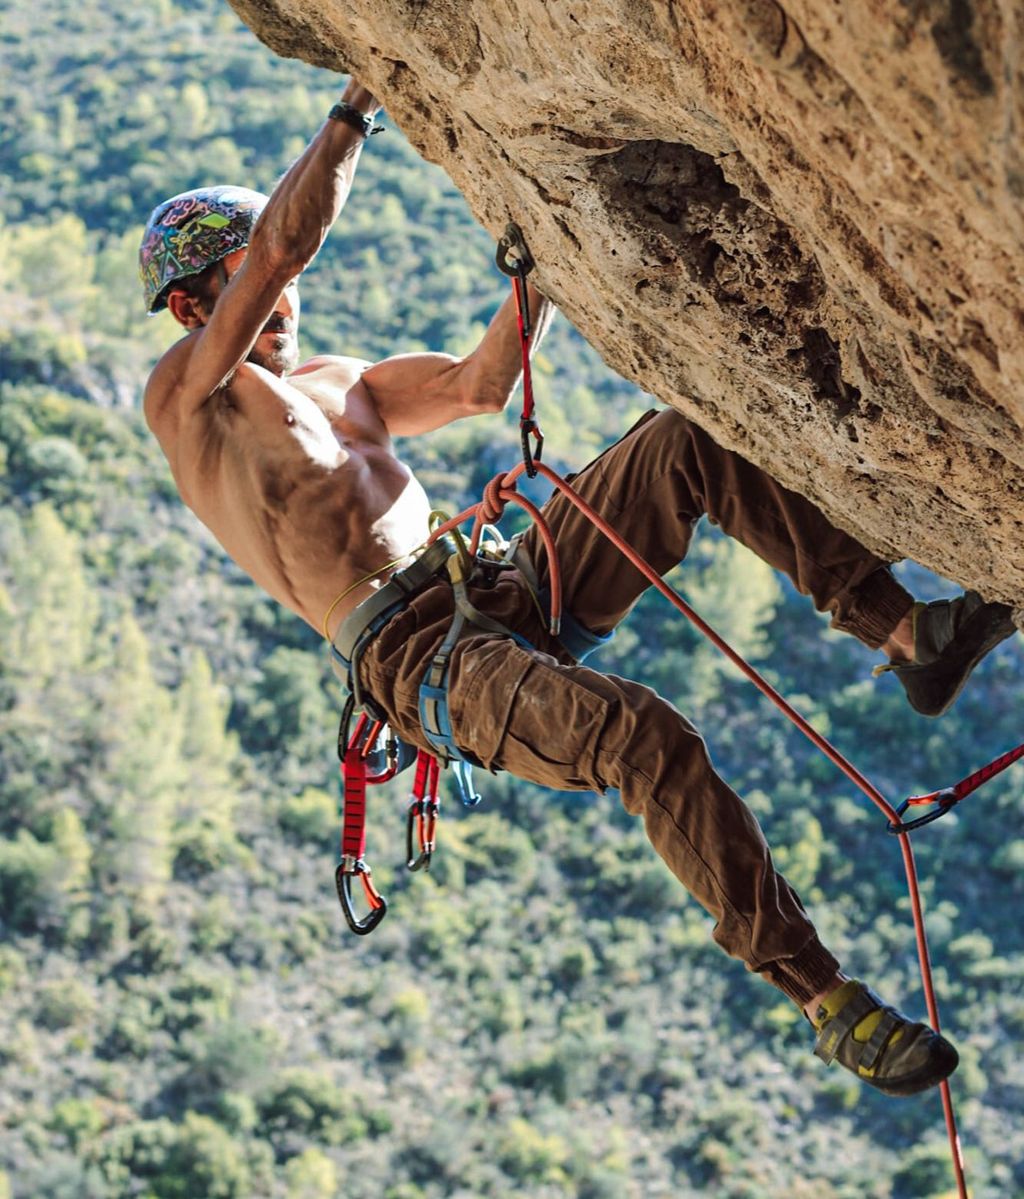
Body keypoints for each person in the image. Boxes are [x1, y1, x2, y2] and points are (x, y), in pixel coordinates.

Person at [140, 79, 1017, 1096]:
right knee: (648, 740)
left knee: (684, 444)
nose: (279, 296)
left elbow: (479, 384)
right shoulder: (186, 399)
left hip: (494, 581)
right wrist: (356, 106)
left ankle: (906, 633)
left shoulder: (345, 384)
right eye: (248, 280)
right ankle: (827, 1000)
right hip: (428, 662)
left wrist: (542, 261)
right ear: (194, 306)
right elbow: (289, 243)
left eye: (272, 283)